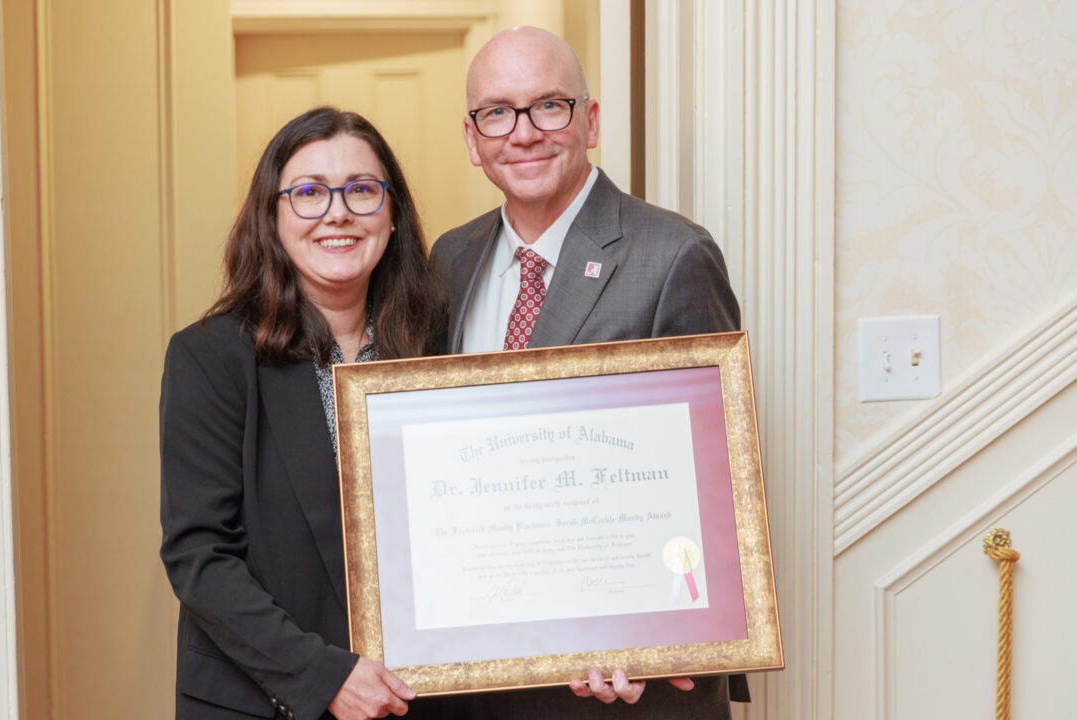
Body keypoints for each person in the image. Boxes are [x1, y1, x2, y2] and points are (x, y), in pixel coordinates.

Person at [428, 26, 749, 719]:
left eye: (550, 105)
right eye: (498, 113)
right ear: (473, 137)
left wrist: (661, 639)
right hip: (483, 675)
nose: (523, 133)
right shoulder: (448, 262)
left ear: (591, 120)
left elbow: (717, 480)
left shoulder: (673, 254)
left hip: (624, 689)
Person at [159, 107, 444, 720]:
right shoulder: (209, 356)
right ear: (273, 216)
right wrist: (325, 677)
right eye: (309, 192)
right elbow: (200, 557)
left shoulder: (438, 350)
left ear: (392, 216)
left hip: (417, 699)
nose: (337, 212)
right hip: (264, 701)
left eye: (362, 190)